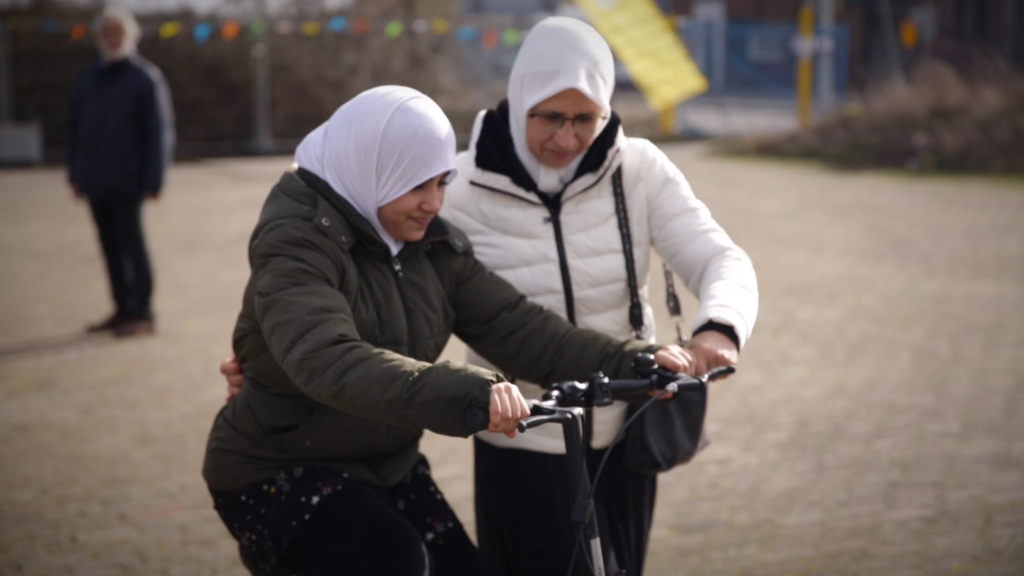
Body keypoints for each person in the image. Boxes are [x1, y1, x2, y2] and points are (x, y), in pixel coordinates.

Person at [203, 85, 692, 576]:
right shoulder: (296, 241)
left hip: (386, 464)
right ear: (373, 173)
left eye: (442, 183)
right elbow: (326, 358)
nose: (435, 203)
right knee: (396, 559)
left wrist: (636, 360)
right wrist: (471, 390)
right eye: (418, 186)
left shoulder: (432, 247)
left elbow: (520, 328)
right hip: (276, 468)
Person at [441, 17, 759, 576]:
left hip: (626, 437)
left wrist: (722, 325)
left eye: (585, 119)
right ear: (519, 101)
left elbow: (720, 259)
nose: (566, 138)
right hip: (522, 443)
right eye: (550, 118)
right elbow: (393, 291)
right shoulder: (458, 189)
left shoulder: (638, 168)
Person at [68, 5, 175, 337]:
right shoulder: (88, 79)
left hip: (130, 181)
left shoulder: (145, 78)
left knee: (133, 246)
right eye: (107, 34)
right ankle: (122, 308)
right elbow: (76, 129)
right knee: (109, 247)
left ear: (131, 38)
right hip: (96, 180)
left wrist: (154, 180)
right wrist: (75, 173)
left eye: (118, 34)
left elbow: (159, 132)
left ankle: (142, 312)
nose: (112, 40)